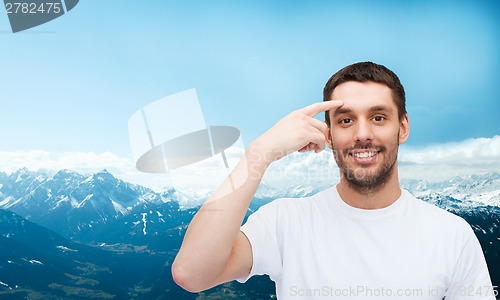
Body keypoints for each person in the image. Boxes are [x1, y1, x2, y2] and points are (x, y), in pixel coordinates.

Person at [172, 62, 495, 299]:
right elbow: (192, 272)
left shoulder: (452, 235)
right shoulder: (286, 221)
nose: (363, 134)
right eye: (346, 120)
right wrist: (259, 152)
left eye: (378, 117)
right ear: (328, 134)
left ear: (403, 128)